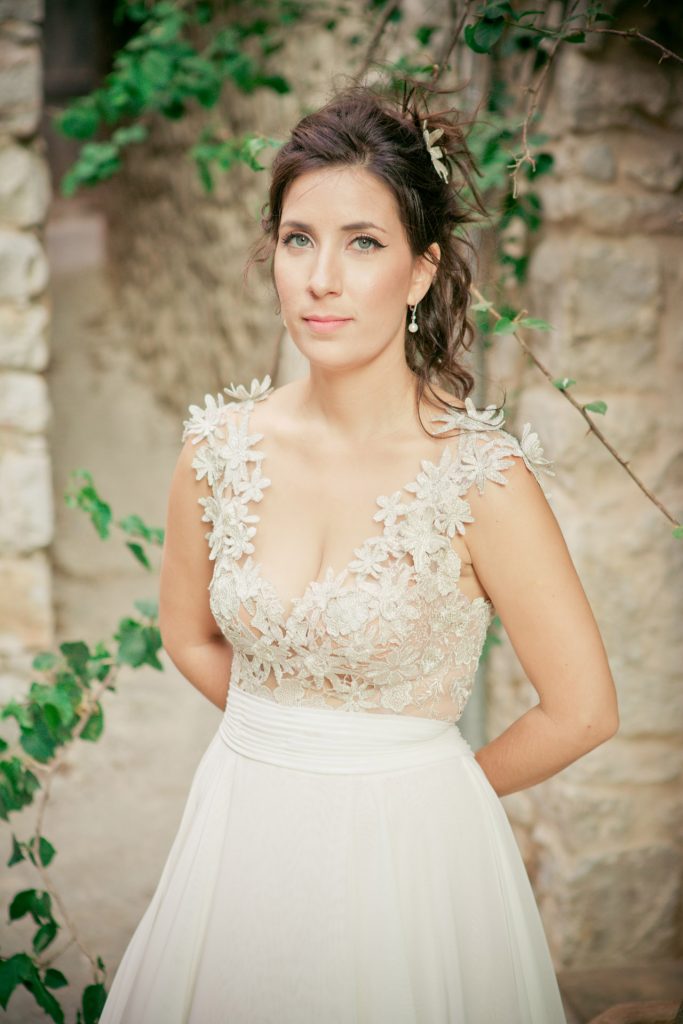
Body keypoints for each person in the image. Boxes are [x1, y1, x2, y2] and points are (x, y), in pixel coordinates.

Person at [100, 78, 619, 1023]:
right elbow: (187, 635)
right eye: (298, 240)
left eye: (362, 244)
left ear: (420, 272)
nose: (320, 279)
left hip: (410, 858)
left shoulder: (480, 479)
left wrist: (424, 787)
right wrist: (288, 740)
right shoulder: (217, 451)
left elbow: (582, 709)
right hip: (243, 835)